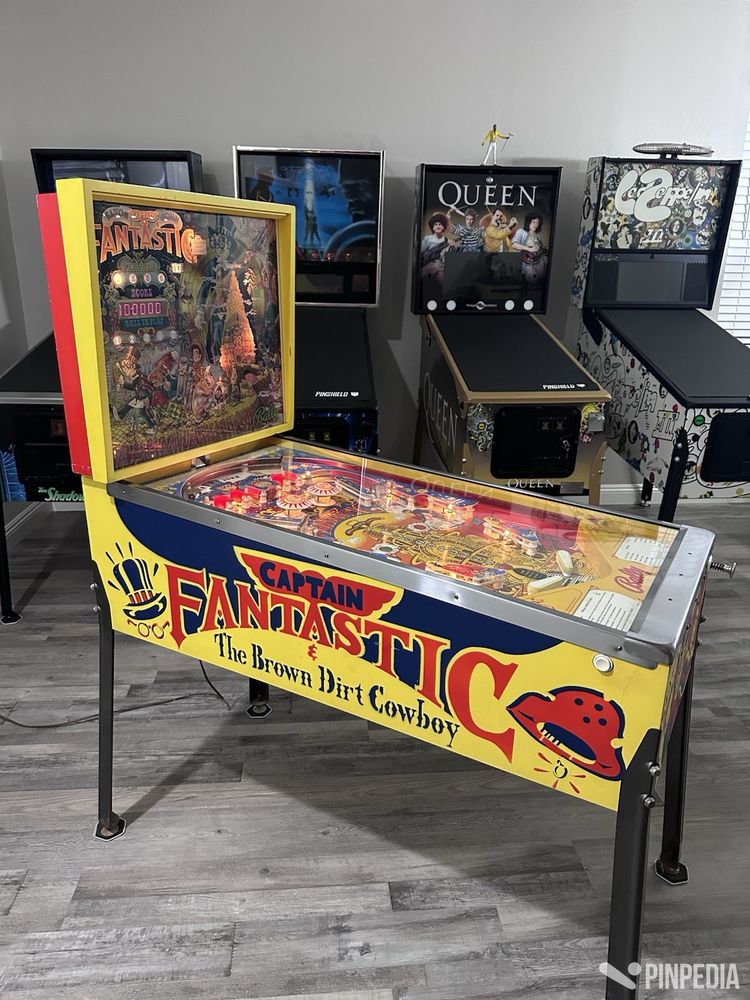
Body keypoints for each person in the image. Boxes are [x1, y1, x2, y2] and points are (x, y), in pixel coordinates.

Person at [511, 212, 548, 285]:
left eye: (537, 223)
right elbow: (514, 245)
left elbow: (539, 249)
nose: (535, 225)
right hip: (525, 263)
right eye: (533, 222)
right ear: (528, 222)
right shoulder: (521, 231)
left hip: (538, 262)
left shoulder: (537, 235)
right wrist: (529, 249)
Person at [420, 212, 449, 276]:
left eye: (440, 224)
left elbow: (445, 258)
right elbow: (420, 252)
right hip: (426, 264)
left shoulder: (447, 241)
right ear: (433, 227)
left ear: (443, 227)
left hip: (439, 266)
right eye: (436, 224)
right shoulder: (427, 239)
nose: (438, 226)